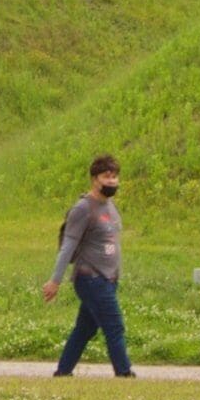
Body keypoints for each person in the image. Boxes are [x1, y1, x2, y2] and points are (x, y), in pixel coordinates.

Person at [39, 153, 133, 378]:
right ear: (94, 179)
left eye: (115, 177)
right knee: (114, 325)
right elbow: (68, 246)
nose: (111, 181)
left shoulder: (110, 207)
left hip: (108, 279)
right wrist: (55, 280)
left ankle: (63, 372)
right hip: (90, 277)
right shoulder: (83, 208)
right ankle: (124, 373)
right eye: (106, 176)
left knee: (85, 329)